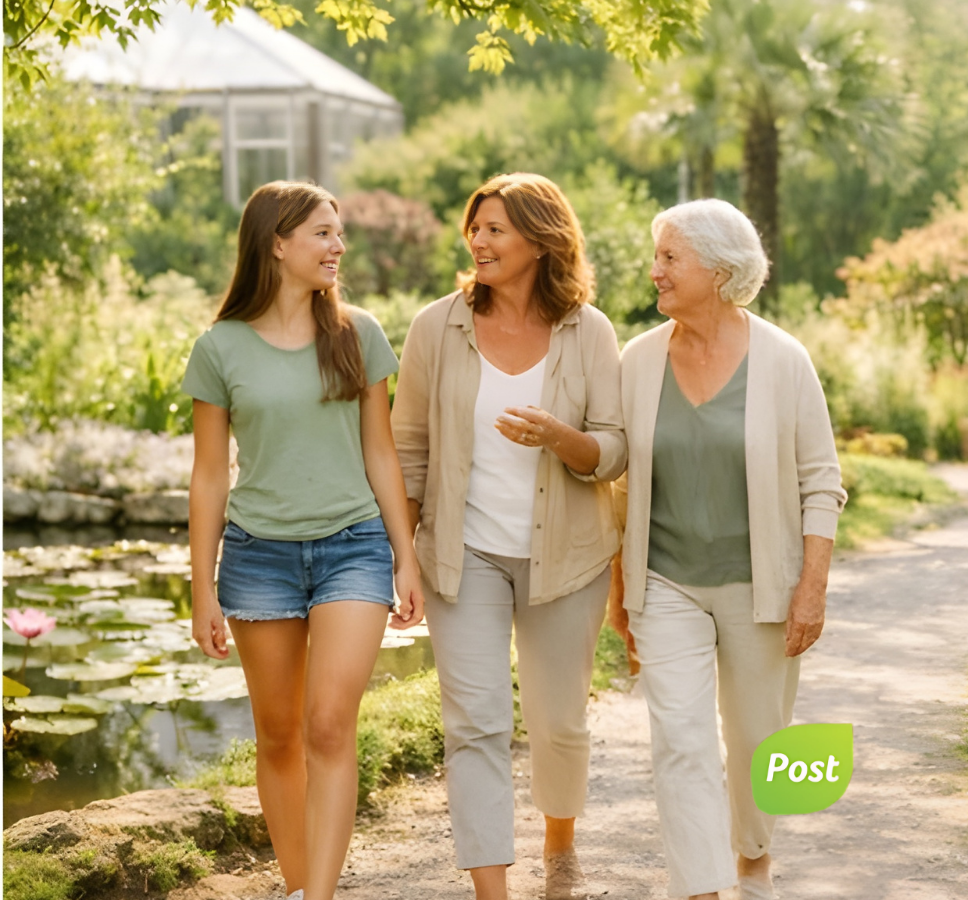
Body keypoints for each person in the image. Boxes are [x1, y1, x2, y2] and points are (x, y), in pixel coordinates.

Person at [185, 180, 425, 900]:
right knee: (281, 734)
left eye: (339, 232)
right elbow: (207, 479)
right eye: (323, 233)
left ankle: (318, 897)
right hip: (259, 556)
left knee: (328, 724)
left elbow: (381, 454)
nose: (338, 247)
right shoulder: (219, 348)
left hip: (352, 546)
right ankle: (297, 886)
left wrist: (404, 555)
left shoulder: (360, 333)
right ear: (277, 243)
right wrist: (201, 588)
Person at [391, 173, 626, 900]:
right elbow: (407, 449)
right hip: (464, 557)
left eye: (497, 228)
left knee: (558, 724)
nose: (479, 241)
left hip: (569, 557)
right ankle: (492, 889)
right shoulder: (437, 326)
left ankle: (560, 841)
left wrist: (562, 437)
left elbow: (614, 448)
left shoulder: (588, 332)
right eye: (476, 227)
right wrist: (402, 555)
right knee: (474, 724)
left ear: (541, 241)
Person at [609, 198, 847, 900]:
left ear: (718, 269)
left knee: (755, 742)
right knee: (679, 739)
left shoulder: (782, 359)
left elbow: (821, 481)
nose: (655, 271)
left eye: (669, 258)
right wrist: (622, 591)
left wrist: (812, 586)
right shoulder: (638, 361)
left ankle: (752, 857)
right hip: (667, 582)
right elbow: (624, 484)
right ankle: (703, 888)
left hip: (760, 584)